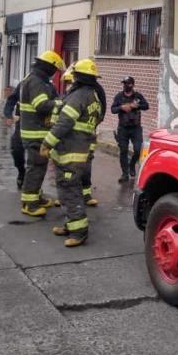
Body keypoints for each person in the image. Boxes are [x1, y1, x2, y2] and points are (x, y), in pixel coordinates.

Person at [40, 59, 103, 247]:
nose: (72, 79)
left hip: (71, 151)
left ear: (78, 77)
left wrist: (47, 143)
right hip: (76, 149)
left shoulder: (78, 96)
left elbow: (65, 122)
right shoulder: (92, 96)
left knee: (70, 189)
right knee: (66, 188)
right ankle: (71, 224)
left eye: (74, 75)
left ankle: (79, 231)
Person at [19, 50, 65, 217]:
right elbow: (42, 105)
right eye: (55, 69)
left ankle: (36, 197)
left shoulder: (38, 79)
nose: (55, 73)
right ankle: (29, 204)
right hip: (34, 133)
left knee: (39, 167)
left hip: (36, 132)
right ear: (48, 67)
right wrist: (60, 104)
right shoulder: (36, 82)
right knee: (36, 168)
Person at [58, 65, 106, 206]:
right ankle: (65, 195)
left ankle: (85, 194)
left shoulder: (94, 91)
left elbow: (101, 110)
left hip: (85, 136)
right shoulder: (71, 93)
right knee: (68, 168)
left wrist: (92, 124)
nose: (68, 86)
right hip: (72, 138)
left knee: (85, 164)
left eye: (70, 82)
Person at [111, 76, 149, 183]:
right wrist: (121, 107)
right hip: (123, 128)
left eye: (127, 84)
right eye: (124, 84)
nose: (125, 86)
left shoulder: (138, 96)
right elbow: (113, 109)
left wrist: (135, 106)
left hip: (136, 128)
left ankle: (132, 165)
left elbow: (146, 106)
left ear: (132, 85)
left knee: (138, 150)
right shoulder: (119, 96)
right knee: (123, 151)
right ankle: (124, 174)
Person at [3, 80, 25, 189]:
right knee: (16, 149)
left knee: (37, 159)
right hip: (22, 124)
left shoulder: (48, 86)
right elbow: (11, 100)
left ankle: (34, 184)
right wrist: (8, 115)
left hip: (39, 126)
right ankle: (21, 171)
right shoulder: (24, 84)